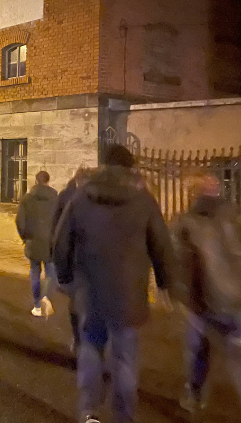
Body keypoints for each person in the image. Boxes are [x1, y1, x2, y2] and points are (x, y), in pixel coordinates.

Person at [53, 144, 174, 423]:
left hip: (90, 291)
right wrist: (164, 283)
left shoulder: (82, 196)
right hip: (128, 294)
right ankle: (124, 416)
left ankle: (89, 411)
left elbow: (60, 242)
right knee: (124, 358)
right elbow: (161, 245)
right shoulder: (143, 200)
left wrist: (65, 277)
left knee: (90, 347)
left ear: (103, 166)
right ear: (131, 167)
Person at [175, 173, 241, 414]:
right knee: (237, 356)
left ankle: (194, 396)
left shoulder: (186, 222)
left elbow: (179, 262)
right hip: (236, 297)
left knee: (197, 351)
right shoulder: (234, 216)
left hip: (203, 300)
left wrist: (181, 296)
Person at [52, 167, 95, 350]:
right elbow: (58, 227)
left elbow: (57, 228)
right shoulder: (69, 197)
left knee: (80, 301)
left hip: (80, 257)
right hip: (79, 257)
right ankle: (82, 341)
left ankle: (81, 341)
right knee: (81, 302)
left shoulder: (76, 197)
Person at [16, 170, 58, 318]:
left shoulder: (26, 199)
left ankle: (37, 306)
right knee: (51, 273)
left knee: (35, 273)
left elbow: (20, 222)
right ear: (48, 182)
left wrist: (25, 237)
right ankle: (46, 296)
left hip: (32, 241)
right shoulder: (56, 199)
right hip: (50, 243)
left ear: (35, 181)